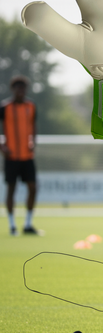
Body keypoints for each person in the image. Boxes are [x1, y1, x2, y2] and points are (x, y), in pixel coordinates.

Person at [0, 76, 41, 235]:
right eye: (18, 88)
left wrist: (33, 142)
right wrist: (2, 146)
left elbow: (33, 126)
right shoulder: (5, 107)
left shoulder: (31, 106)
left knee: (33, 188)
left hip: (27, 156)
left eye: (23, 89)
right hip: (11, 157)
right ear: (13, 90)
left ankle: (28, 224)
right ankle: (12, 225)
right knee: (11, 189)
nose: (21, 91)